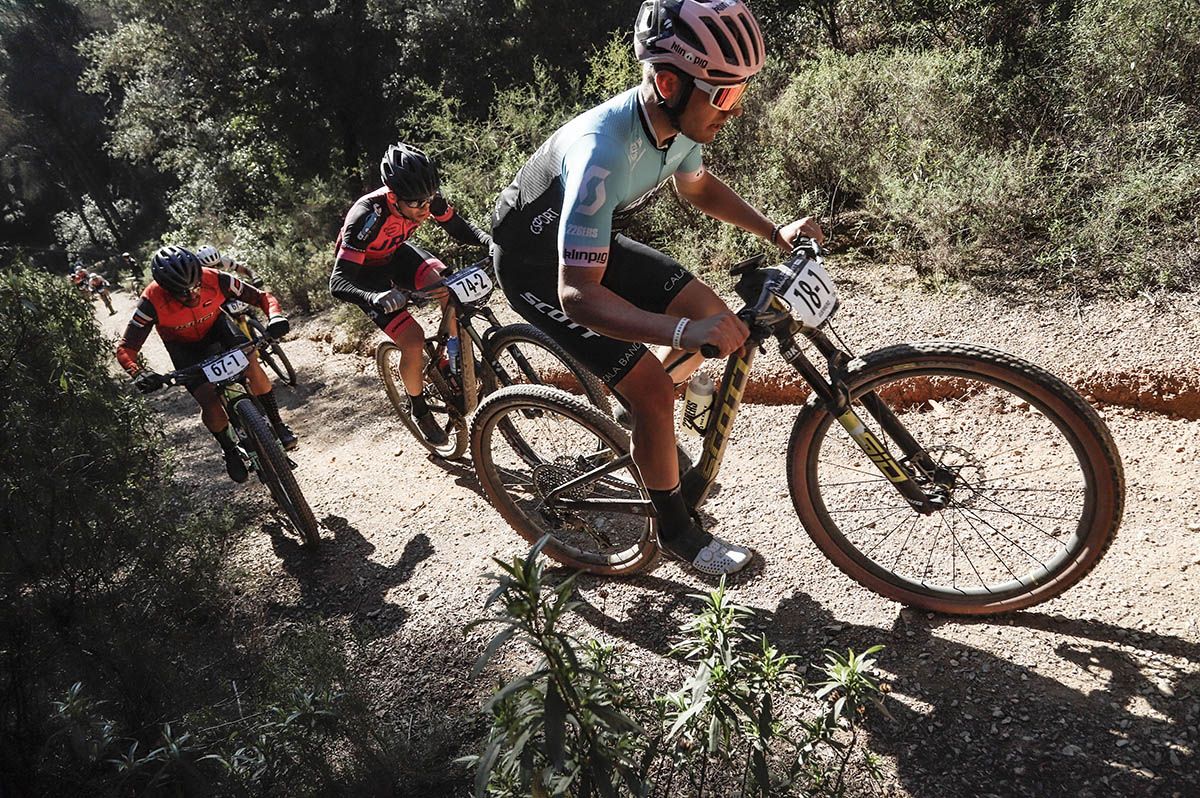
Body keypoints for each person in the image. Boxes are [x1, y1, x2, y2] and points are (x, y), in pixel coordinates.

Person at [490, 0, 825, 575]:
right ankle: (675, 532)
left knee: (715, 317)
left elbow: (695, 188)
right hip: (536, 270)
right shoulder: (601, 151)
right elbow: (578, 295)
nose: (733, 110)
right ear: (668, 82)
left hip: (587, 244)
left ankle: (645, 428)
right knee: (652, 384)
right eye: (723, 95)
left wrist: (775, 231)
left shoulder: (677, 121)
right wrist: (680, 331)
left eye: (739, 93)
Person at [329, 142, 492, 446]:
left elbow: (456, 226)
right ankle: (417, 407)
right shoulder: (366, 216)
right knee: (413, 340)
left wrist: (489, 243)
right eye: (418, 203)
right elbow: (338, 282)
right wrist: (374, 297)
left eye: (430, 199)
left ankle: (454, 359)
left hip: (397, 255)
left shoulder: (425, 196)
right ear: (393, 197)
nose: (427, 209)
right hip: (366, 275)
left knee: (449, 288)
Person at [115, 246, 297, 482]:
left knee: (252, 363)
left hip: (219, 330)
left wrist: (275, 316)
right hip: (185, 349)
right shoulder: (151, 300)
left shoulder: (216, 278)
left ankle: (277, 424)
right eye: (182, 293)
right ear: (166, 289)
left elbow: (262, 297)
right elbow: (125, 348)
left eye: (196, 287)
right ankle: (229, 450)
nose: (192, 295)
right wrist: (137, 372)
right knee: (210, 402)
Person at [197, 245, 264, 289]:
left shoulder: (224, 261)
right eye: (211, 267)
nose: (215, 268)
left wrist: (254, 276)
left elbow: (244, 269)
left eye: (217, 265)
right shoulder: (197, 271)